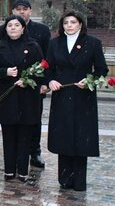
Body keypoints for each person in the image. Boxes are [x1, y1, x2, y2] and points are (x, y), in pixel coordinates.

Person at [47, 11, 109, 191]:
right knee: (64, 136)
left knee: (82, 138)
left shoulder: (93, 43)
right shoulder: (54, 43)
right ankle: (65, 179)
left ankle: (80, 180)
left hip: (83, 97)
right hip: (62, 96)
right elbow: (48, 68)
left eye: (73, 22)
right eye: (66, 22)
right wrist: (50, 81)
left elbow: (101, 70)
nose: (69, 25)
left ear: (80, 24)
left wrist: (90, 81)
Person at [0, 15, 45, 182]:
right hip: (7, 96)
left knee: (25, 135)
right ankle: (9, 170)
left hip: (27, 97)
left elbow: (42, 69)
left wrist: (28, 80)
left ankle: (22, 171)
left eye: (16, 25)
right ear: (5, 28)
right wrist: (4, 72)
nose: (13, 28)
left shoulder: (33, 46)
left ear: (23, 28)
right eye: (10, 25)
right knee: (9, 135)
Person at [2, 0, 51, 168]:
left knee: (33, 119)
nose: (21, 12)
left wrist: (44, 82)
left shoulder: (42, 31)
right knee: (13, 121)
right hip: (11, 85)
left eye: (25, 9)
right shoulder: (4, 29)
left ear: (30, 11)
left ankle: (34, 152)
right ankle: (15, 154)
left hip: (33, 85)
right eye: (17, 9)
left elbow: (46, 58)